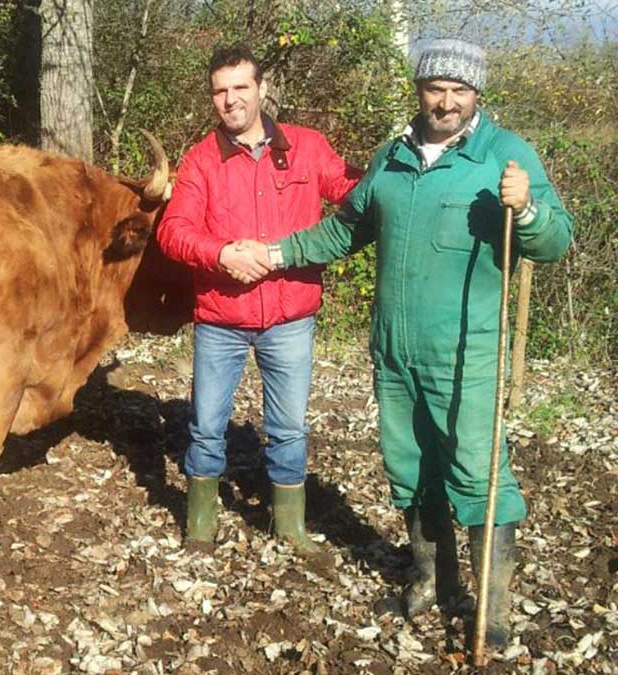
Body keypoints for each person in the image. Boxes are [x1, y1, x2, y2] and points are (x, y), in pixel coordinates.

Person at [240, 38, 573, 647]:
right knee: (410, 470)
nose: (446, 102)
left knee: (477, 473)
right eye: (435, 88)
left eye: (460, 91)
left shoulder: (503, 156)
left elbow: (554, 243)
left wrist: (526, 212)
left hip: (465, 352)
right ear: (419, 90)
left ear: (477, 94)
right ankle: (430, 581)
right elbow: (343, 229)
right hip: (393, 350)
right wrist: (274, 254)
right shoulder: (391, 158)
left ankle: (490, 612)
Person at [155, 45, 360, 556]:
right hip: (220, 319)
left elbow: (351, 189)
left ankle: (289, 527)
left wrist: (397, 169)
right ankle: (200, 526)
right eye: (221, 92)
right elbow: (174, 232)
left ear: (262, 89)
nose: (231, 100)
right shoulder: (201, 160)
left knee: (288, 429)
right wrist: (220, 253)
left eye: (241, 88)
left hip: (290, 317)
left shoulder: (308, 148)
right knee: (206, 428)